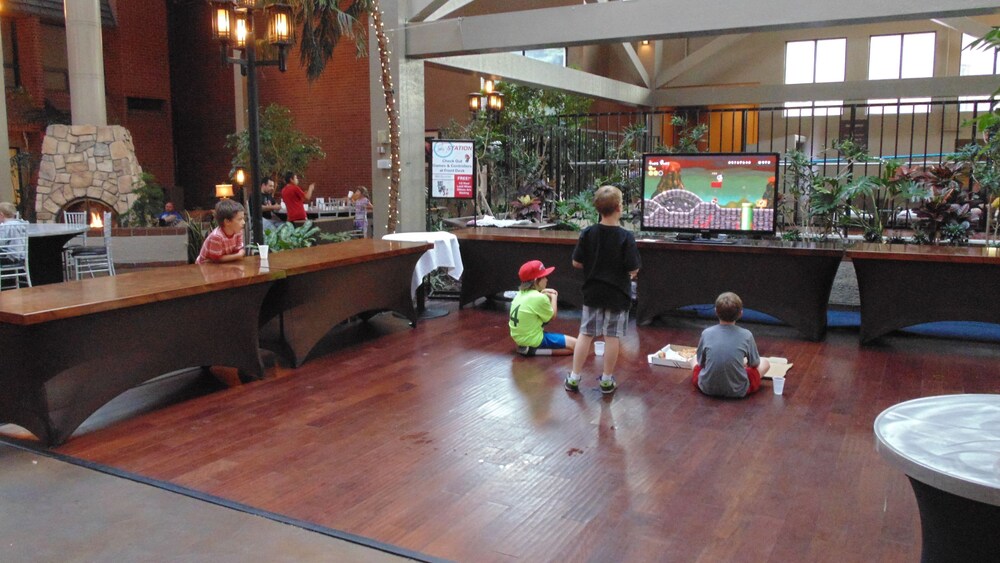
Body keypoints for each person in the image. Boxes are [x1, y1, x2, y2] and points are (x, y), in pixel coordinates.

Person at [565, 185, 641, 394]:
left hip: (593, 292)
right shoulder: (626, 237)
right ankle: (606, 380)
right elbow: (633, 267)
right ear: (619, 208)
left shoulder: (588, 233)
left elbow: (576, 262)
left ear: (598, 208)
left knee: (585, 334)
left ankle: (574, 378)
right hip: (618, 294)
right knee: (612, 336)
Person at [691, 292, 771, 398]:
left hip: (707, 388)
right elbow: (755, 363)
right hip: (739, 390)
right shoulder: (746, 335)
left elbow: (701, 363)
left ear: (716, 312)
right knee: (765, 362)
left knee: (693, 359)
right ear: (740, 314)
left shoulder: (706, 333)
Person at [509, 259, 577, 357]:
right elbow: (552, 316)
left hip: (519, 339)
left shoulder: (519, 294)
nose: (546, 279)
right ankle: (534, 351)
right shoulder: (539, 298)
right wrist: (554, 297)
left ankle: (526, 348)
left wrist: (542, 292)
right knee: (577, 345)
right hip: (533, 339)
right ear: (536, 281)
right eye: (544, 277)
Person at [196, 198, 246, 264]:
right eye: (240, 219)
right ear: (227, 222)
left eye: (243, 218)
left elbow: (240, 250)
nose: (244, 222)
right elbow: (217, 259)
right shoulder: (217, 236)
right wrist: (238, 255)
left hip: (222, 265)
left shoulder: (238, 232)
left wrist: (238, 255)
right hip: (205, 267)